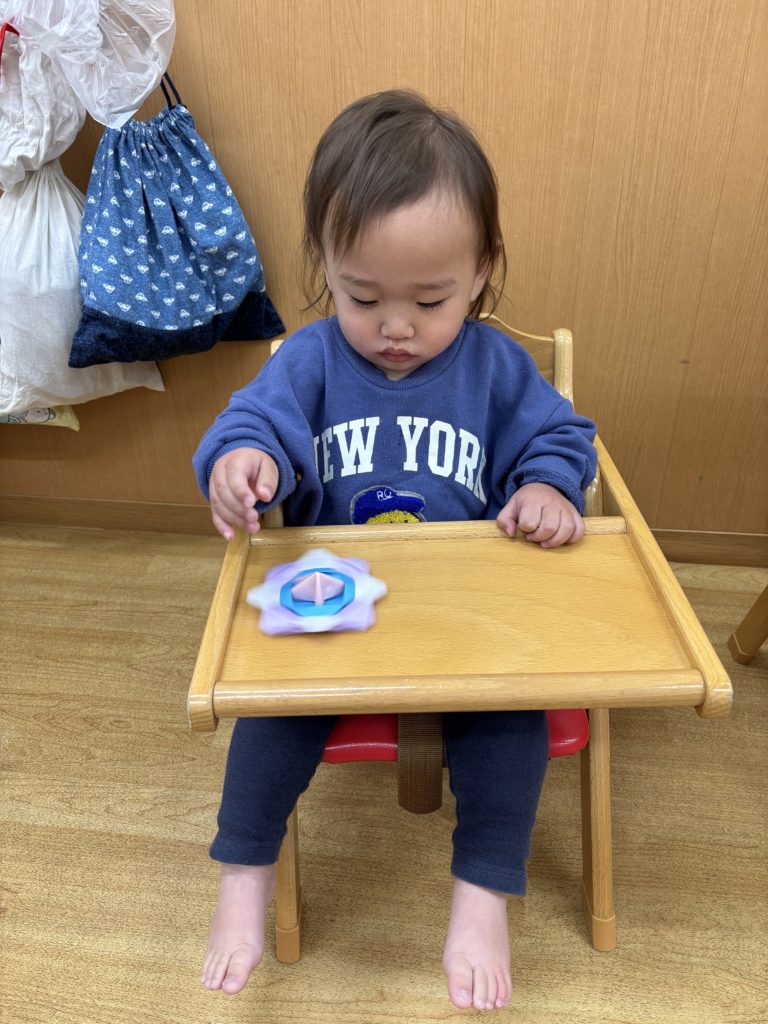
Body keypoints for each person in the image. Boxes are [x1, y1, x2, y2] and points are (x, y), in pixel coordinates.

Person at [193, 89, 597, 1012]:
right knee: (269, 712)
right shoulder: (308, 362)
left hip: (465, 624)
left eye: (431, 299)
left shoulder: (497, 368)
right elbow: (249, 424)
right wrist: (242, 463)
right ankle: (244, 874)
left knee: (513, 718)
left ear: (481, 271)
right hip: (332, 612)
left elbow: (562, 438)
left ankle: (482, 892)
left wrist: (545, 488)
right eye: (363, 297)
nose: (397, 326)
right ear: (326, 267)